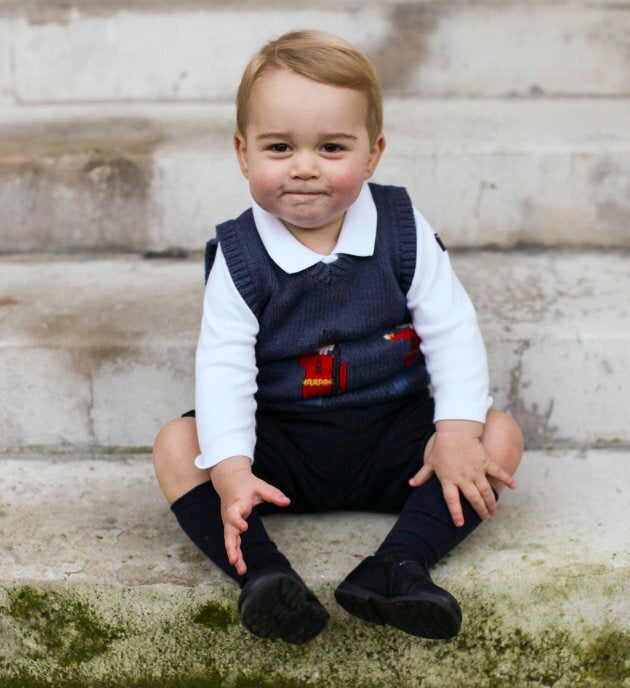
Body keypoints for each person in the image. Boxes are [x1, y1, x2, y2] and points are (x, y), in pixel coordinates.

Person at [153, 29, 523, 645]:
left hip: (393, 436)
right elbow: (223, 367)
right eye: (279, 147)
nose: (304, 168)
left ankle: (398, 566)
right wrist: (233, 468)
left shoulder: (402, 228)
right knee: (176, 445)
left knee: (499, 433)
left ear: (373, 154)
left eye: (331, 147)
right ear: (243, 154)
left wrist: (455, 434)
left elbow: (452, 328)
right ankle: (266, 579)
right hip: (283, 445)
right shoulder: (241, 257)